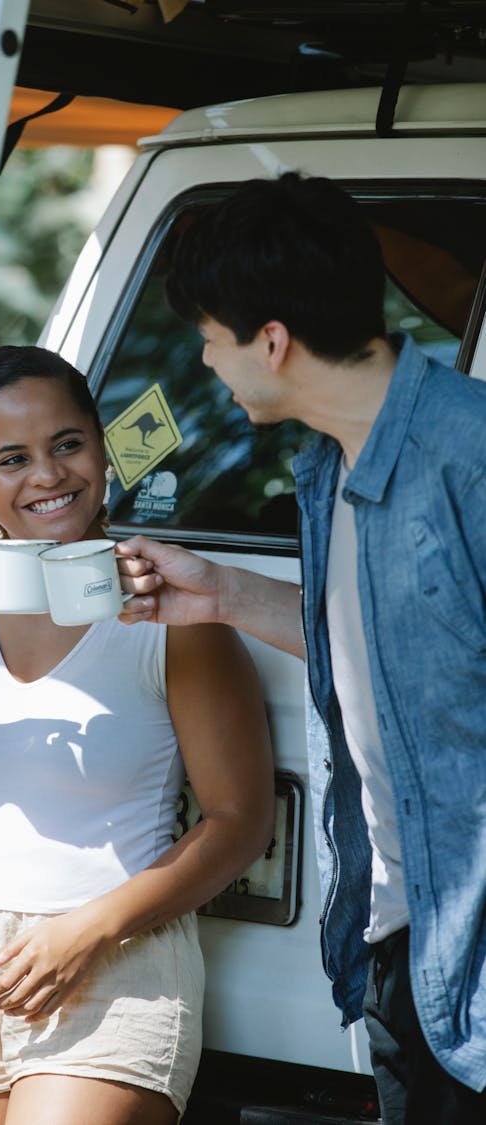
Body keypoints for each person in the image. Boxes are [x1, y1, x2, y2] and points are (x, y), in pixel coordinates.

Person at [116, 172, 486, 1125]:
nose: (204, 363)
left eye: (209, 339)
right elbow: (381, 648)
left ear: (271, 341)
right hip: (403, 944)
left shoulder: (470, 459)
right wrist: (226, 592)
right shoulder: (327, 463)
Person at [0, 345, 274, 1125]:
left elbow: (241, 821)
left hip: (115, 953)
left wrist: (89, 930)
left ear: (101, 443)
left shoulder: (169, 603)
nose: (49, 476)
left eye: (67, 444)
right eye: (13, 457)